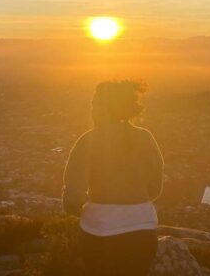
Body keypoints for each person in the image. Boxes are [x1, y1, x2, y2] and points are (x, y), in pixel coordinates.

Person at [62, 80, 164, 276]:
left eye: (95, 105)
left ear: (104, 108)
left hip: (100, 232)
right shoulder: (146, 138)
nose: (91, 110)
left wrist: (86, 210)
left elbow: (72, 198)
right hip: (143, 230)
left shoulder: (87, 141)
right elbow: (155, 188)